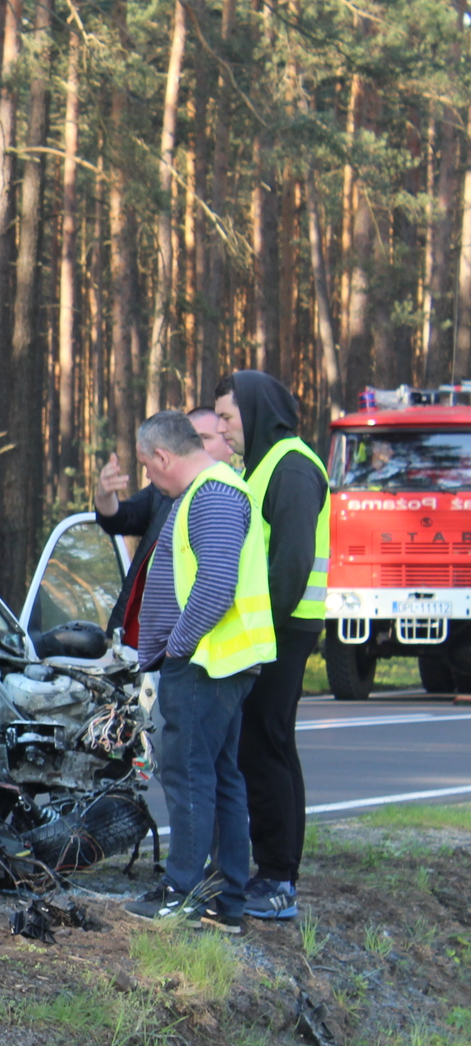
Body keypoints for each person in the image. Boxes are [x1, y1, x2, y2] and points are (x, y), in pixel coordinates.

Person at [122, 410, 275, 933]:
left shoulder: (212, 494)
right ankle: (224, 901)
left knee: (187, 774)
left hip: (205, 662)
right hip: (221, 660)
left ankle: (182, 894)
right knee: (220, 776)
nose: (148, 478)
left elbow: (215, 584)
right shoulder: (213, 491)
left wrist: (177, 648)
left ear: (163, 456)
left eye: (147, 466)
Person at [215, 370, 330, 921]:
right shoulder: (263, 465)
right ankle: (277, 872)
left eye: (227, 417)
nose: (222, 429)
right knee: (267, 745)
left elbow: (292, 562)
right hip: (271, 628)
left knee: (264, 746)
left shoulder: (291, 466)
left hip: (283, 629)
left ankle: (279, 879)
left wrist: (261, 636)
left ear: (256, 411)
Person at [95, 407, 237, 637]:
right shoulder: (164, 492)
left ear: (228, 444)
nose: (193, 446)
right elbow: (119, 520)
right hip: (139, 636)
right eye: (191, 437)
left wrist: (176, 646)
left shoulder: (226, 497)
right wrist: (104, 494)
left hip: (190, 643)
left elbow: (216, 589)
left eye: (205, 438)